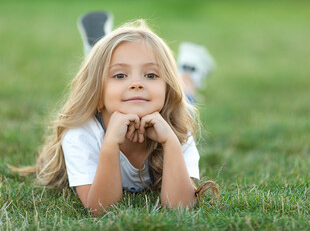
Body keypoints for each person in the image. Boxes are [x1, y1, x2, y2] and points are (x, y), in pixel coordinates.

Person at [28, 12, 218, 216]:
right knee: (98, 73)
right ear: (99, 96)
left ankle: (189, 70)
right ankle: (97, 48)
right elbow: (100, 209)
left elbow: (180, 207)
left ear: (166, 89)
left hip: (170, 101)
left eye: (151, 75)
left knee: (185, 98)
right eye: (120, 75)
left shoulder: (177, 127)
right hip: (102, 100)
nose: (137, 83)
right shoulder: (81, 132)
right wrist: (110, 144)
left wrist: (170, 142)